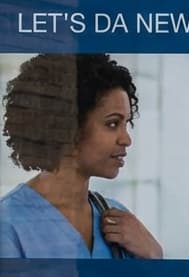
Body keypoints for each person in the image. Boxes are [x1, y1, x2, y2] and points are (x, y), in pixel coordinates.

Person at [1, 53, 162, 259]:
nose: (126, 139)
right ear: (68, 127)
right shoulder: (9, 227)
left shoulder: (118, 220)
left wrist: (154, 256)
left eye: (126, 124)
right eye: (112, 124)